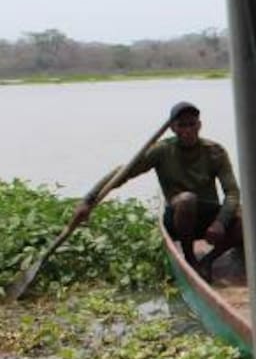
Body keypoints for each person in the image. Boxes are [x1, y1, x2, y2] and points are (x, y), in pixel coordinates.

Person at [71, 101, 242, 281]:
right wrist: (88, 200)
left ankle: (208, 260)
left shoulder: (214, 152)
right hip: (179, 219)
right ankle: (190, 259)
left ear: (199, 125)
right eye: (182, 125)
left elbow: (232, 193)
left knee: (246, 220)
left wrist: (220, 223)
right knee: (186, 200)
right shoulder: (162, 150)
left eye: (192, 124)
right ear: (173, 128)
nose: (188, 130)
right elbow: (123, 173)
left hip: (208, 218)